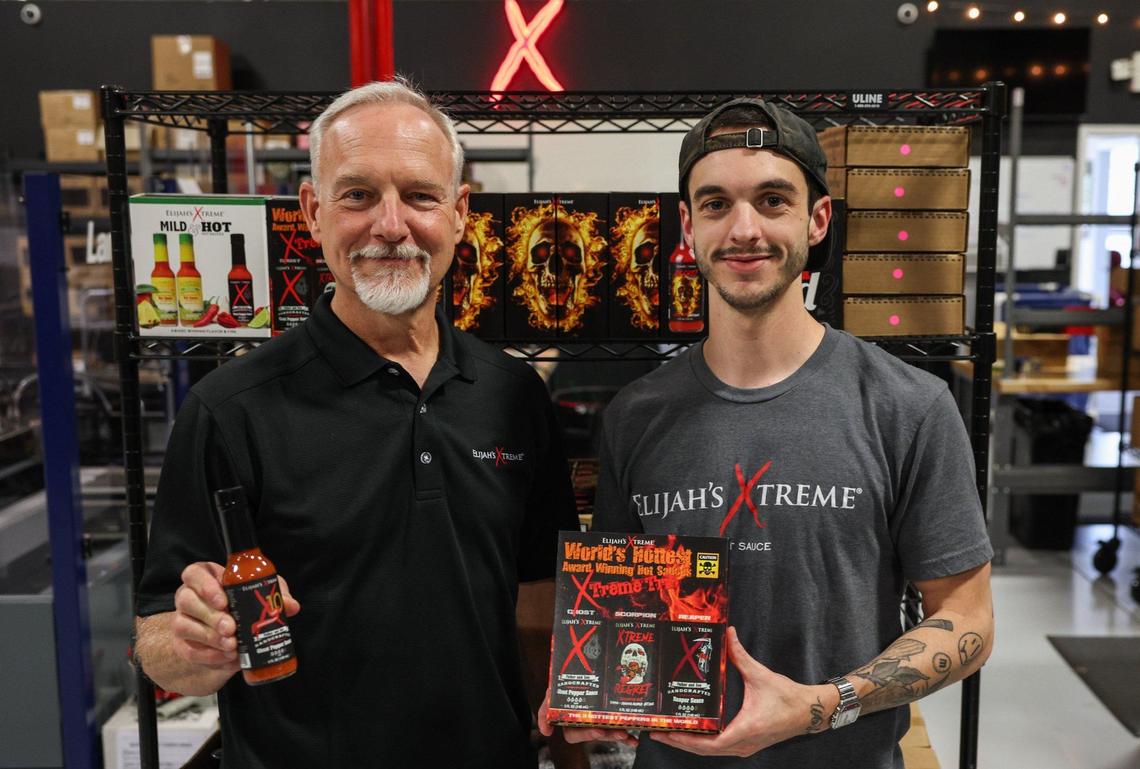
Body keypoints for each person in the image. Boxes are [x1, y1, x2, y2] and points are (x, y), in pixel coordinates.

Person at [134, 78, 580, 768]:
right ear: (313, 212)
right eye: (358, 195)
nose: (391, 225)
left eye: (421, 195)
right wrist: (196, 641)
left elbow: (535, 595)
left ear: (460, 212)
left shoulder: (513, 395)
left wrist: (566, 741)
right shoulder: (230, 409)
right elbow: (159, 636)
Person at [540, 98, 995, 768]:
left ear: (817, 220)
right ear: (689, 226)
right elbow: (621, 608)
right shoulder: (636, 415)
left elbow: (969, 619)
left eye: (773, 199)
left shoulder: (909, 404)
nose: (744, 228)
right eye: (717, 203)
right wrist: (594, 688)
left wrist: (821, 703)